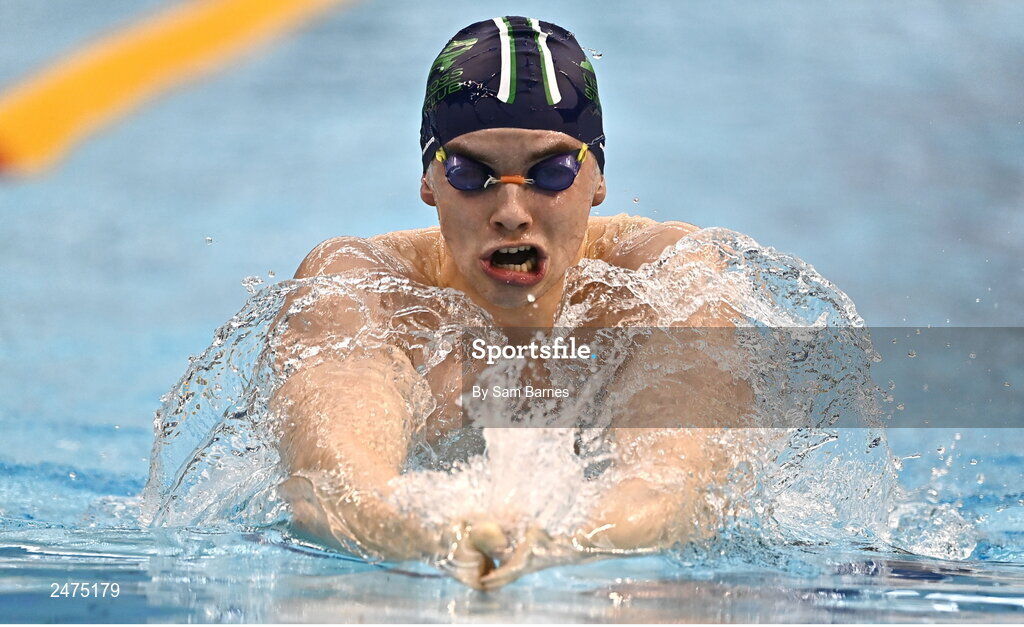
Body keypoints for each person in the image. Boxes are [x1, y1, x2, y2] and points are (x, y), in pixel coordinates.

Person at [269, 17, 748, 589]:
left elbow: (674, 490)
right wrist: (437, 535)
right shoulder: (366, 292)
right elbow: (330, 487)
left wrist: (559, 540)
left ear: (597, 177)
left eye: (552, 172)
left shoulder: (665, 282)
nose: (512, 211)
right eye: (472, 173)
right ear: (429, 178)